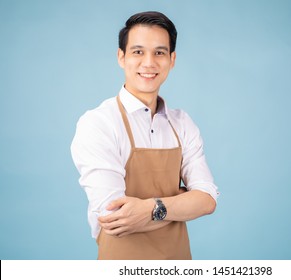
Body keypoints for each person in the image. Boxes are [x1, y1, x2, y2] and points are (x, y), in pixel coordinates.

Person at [70, 11, 219, 260]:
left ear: (172, 60)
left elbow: (207, 200)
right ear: (121, 57)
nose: (149, 63)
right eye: (138, 52)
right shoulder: (99, 123)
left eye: (159, 52)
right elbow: (115, 219)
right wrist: (180, 204)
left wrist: (150, 207)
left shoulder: (182, 123)